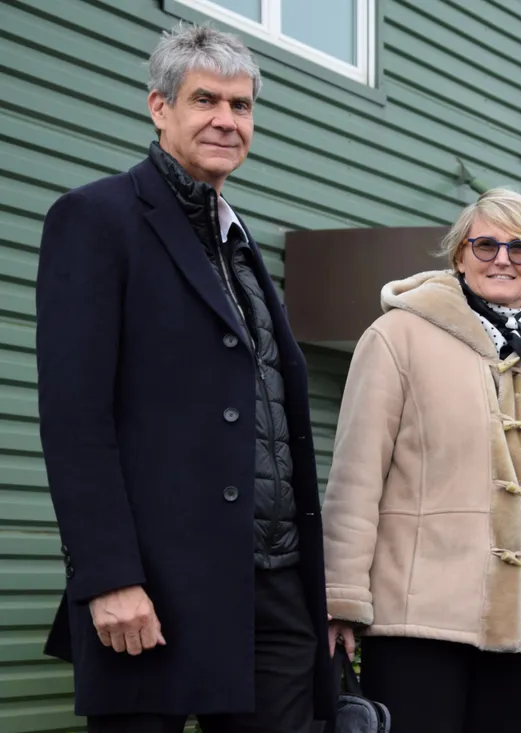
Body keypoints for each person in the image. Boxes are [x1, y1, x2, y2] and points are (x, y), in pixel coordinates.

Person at [35, 23, 333, 732]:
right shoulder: (96, 219)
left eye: (242, 105)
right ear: (159, 107)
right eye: (206, 100)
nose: (227, 120)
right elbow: (75, 416)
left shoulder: (239, 243)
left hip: (276, 583)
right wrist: (107, 575)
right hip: (154, 585)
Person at [322, 187, 521, 733]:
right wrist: (342, 598)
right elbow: (356, 479)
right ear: (458, 254)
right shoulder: (396, 337)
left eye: (520, 247)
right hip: (415, 622)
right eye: (486, 244)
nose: (502, 258)